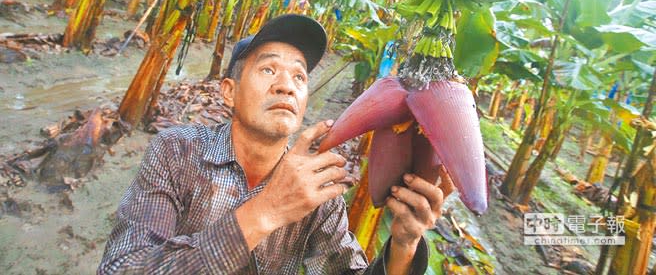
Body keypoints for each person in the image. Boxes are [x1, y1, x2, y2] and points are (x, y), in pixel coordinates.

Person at [98, 14, 449, 274]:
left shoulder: (318, 192)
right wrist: (266, 210)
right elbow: (122, 268)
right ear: (229, 92)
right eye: (268, 70)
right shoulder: (177, 152)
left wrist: (403, 245)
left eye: (299, 76)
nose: (287, 86)